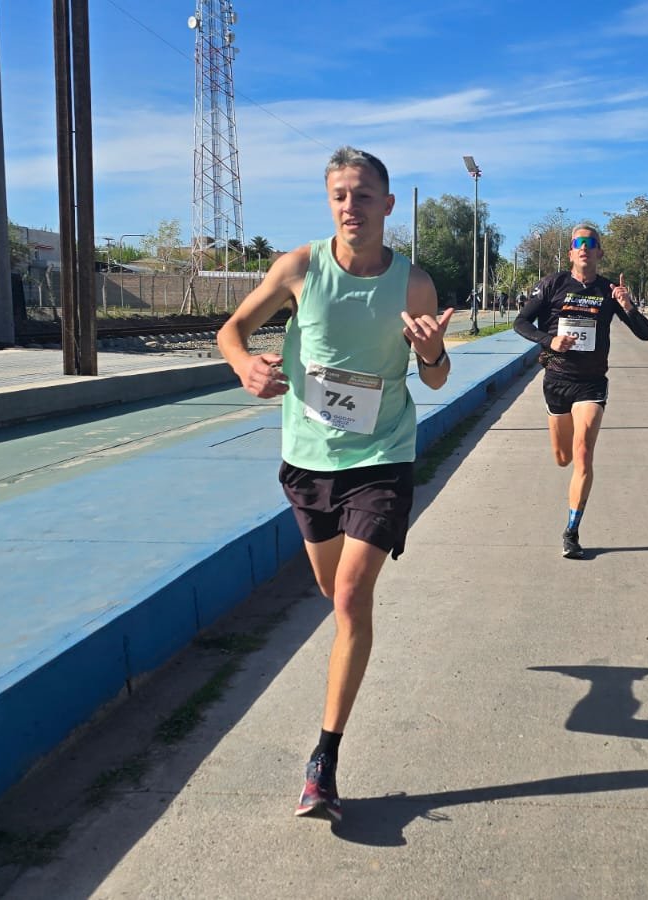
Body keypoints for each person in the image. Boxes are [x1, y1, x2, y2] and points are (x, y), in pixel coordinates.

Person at [216, 146, 455, 824]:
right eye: (340, 195)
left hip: (382, 455)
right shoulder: (298, 268)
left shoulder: (413, 284)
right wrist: (244, 366)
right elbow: (232, 330)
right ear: (331, 204)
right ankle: (350, 651)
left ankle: (324, 761)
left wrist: (432, 351)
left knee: (350, 595)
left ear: (387, 204)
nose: (351, 206)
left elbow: (435, 377)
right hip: (308, 459)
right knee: (331, 590)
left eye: (364, 194)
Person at [513, 225, 648, 559]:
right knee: (563, 458)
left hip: (591, 383)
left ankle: (571, 532)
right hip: (557, 381)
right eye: (579, 243)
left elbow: (645, 334)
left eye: (591, 243)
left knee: (584, 452)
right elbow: (521, 323)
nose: (584, 247)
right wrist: (550, 341)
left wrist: (628, 306)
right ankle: (569, 473)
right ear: (571, 252)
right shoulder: (553, 284)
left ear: (599, 252)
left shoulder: (609, 290)